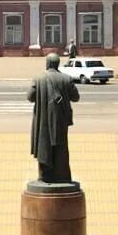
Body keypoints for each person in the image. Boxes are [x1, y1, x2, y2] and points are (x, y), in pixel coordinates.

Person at [28, 53, 80, 184]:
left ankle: (45, 176)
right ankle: (62, 176)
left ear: (47, 63)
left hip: (42, 121)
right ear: (57, 64)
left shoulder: (38, 79)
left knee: (43, 146)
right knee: (61, 147)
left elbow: (30, 97)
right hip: (60, 120)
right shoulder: (66, 79)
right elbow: (76, 97)